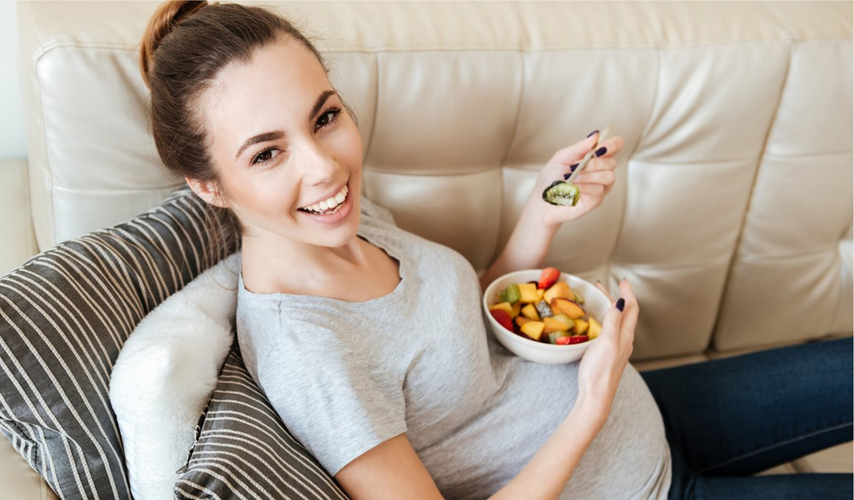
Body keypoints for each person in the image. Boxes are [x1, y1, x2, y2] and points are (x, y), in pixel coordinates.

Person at [138, 1, 853, 498]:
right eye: (267, 154)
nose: (324, 167)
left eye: (325, 117)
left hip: (652, 412)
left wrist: (540, 217)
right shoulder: (309, 353)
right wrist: (589, 407)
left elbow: (448, 329)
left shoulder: (344, 223)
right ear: (209, 185)